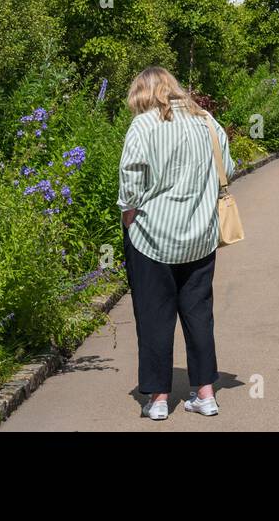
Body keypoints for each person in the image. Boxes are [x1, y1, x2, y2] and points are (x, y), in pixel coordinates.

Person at [118, 66, 234, 422]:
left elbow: (132, 178)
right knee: (199, 314)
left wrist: (128, 212)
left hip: (153, 237)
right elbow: (226, 168)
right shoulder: (207, 122)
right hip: (200, 236)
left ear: (144, 93)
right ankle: (205, 394)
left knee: (155, 316)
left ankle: (158, 399)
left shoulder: (144, 125)